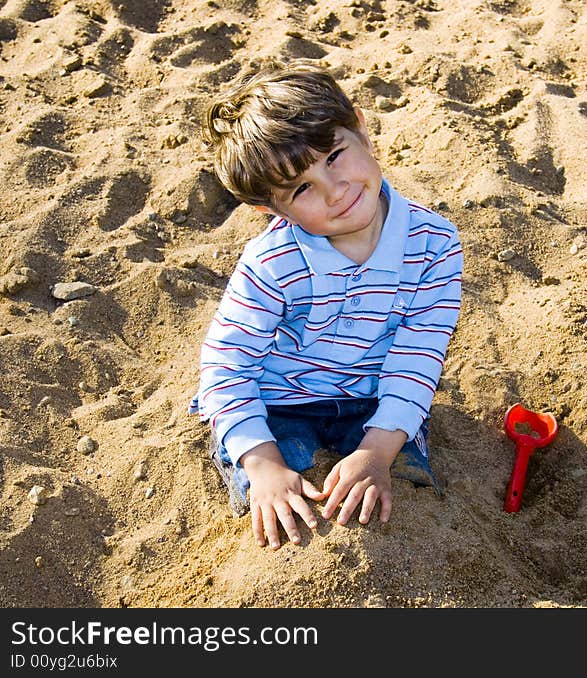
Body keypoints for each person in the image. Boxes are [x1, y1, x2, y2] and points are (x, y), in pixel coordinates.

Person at [190, 60, 463, 550]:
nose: (334, 191)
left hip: (371, 394)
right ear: (272, 209)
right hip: (282, 396)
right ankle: (261, 463)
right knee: (281, 480)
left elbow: (417, 355)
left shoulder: (436, 243)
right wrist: (263, 463)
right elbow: (227, 366)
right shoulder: (272, 262)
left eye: (334, 156)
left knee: (396, 473)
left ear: (360, 127)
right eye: (301, 189)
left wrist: (377, 451)